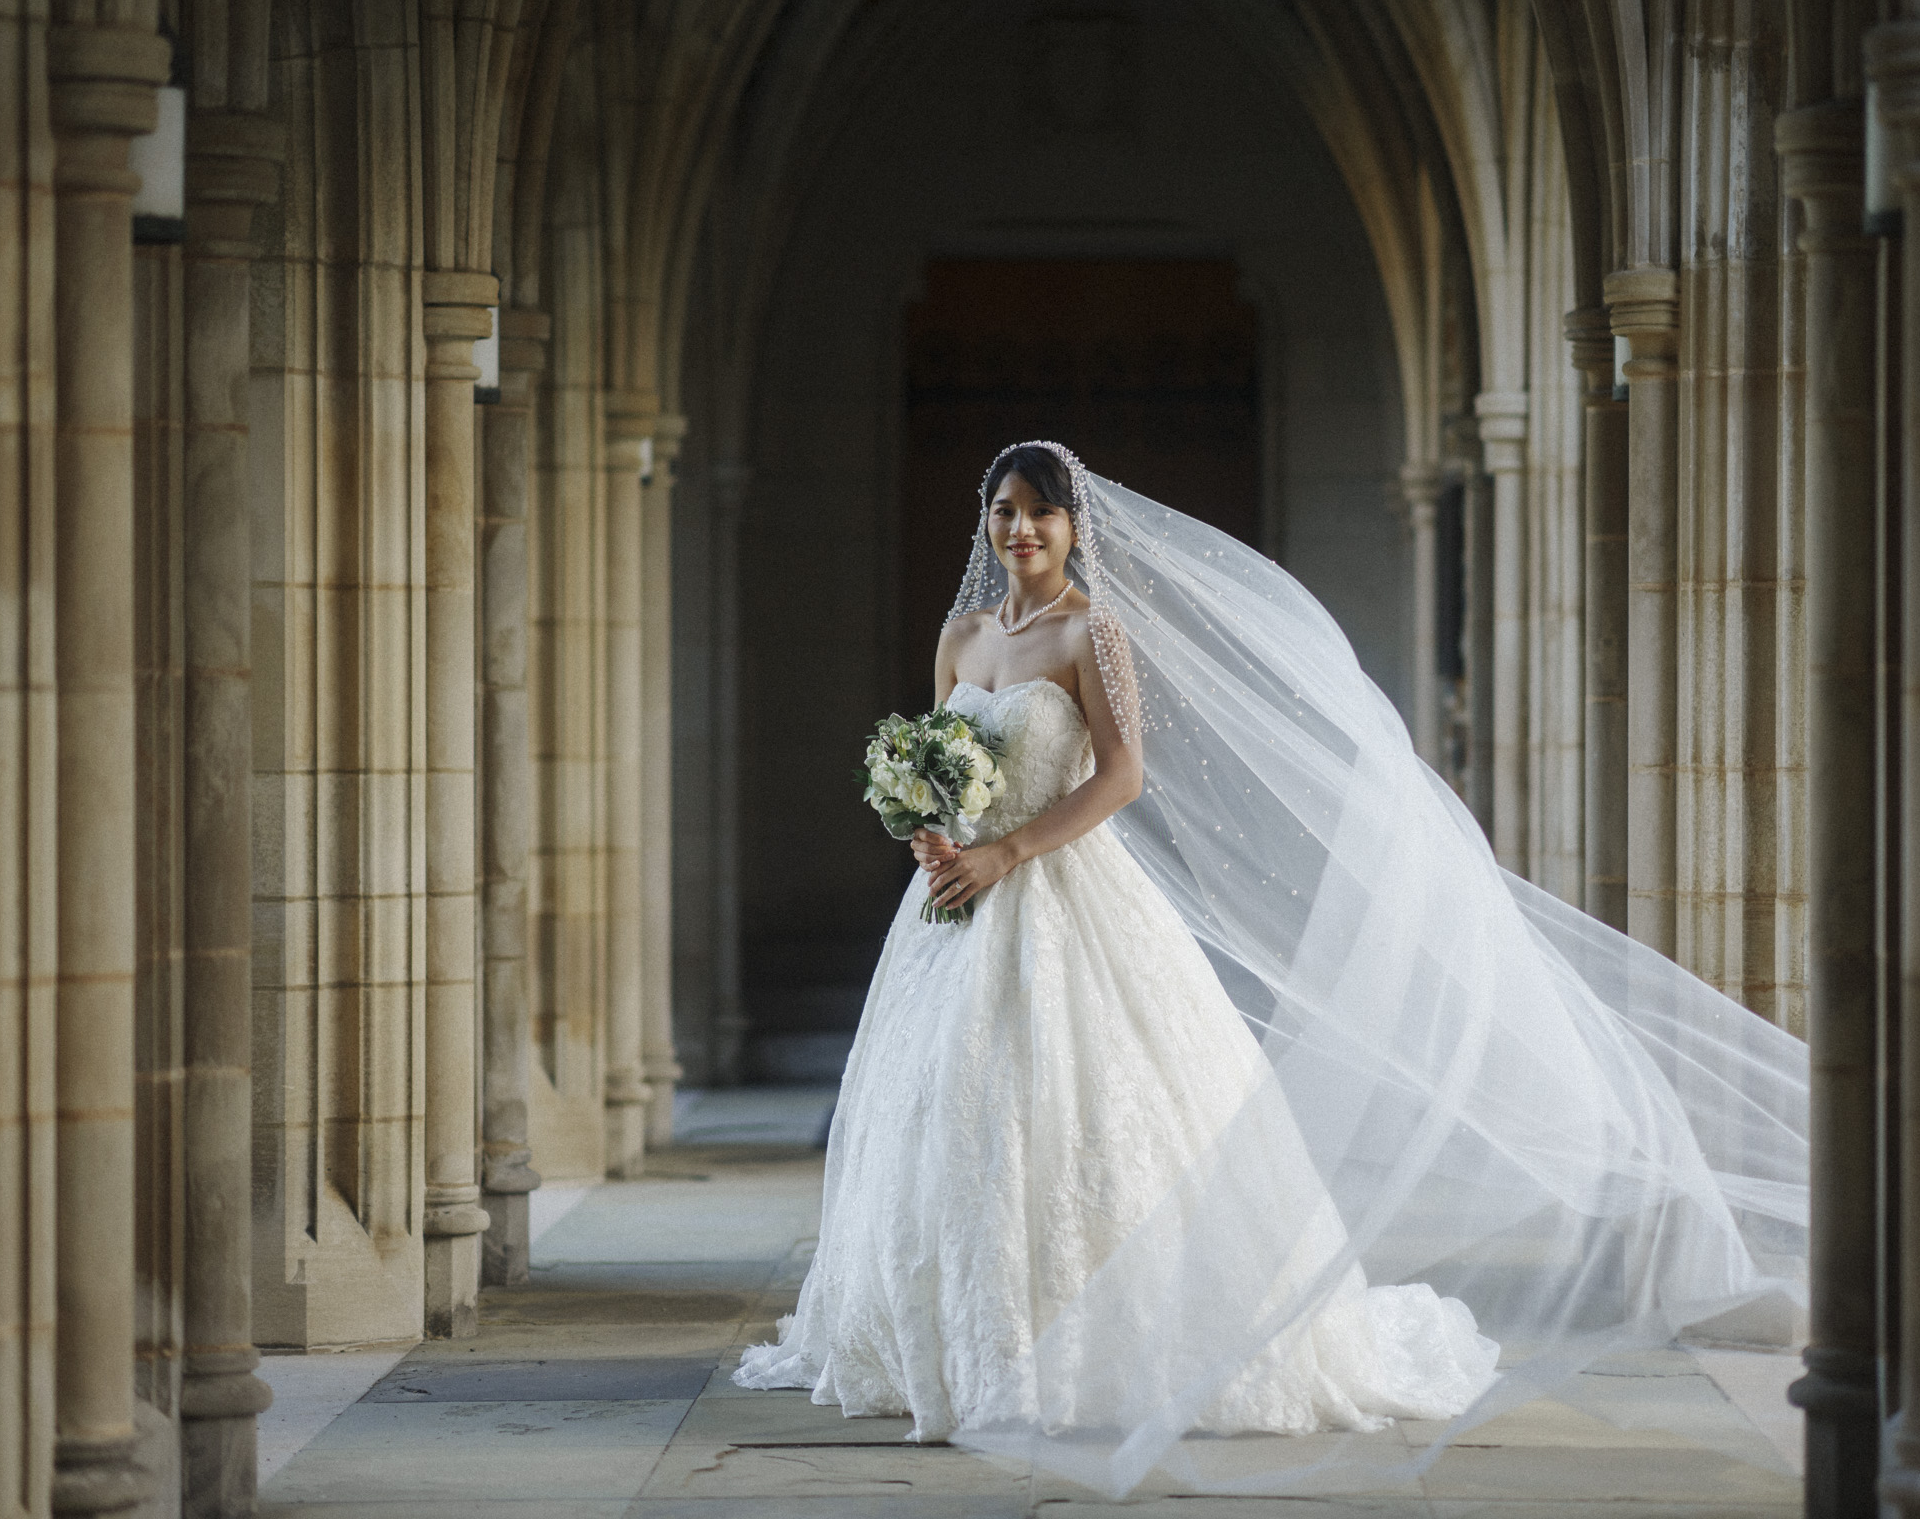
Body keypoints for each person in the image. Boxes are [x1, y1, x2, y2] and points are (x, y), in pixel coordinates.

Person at [735, 441, 1807, 1499]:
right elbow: (934, 760)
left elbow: (1122, 775)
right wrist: (931, 833)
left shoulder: (1090, 634)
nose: (1021, 529)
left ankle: (1090, 1337)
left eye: (1042, 514)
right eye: (1005, 510)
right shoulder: (962, 636)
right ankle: (949, 1338)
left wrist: (1012, 848)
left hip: (1060, 890)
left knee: (1088, 1109)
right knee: (948, 1112)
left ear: (1073, 528)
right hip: (952, 905)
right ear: (987, 522)